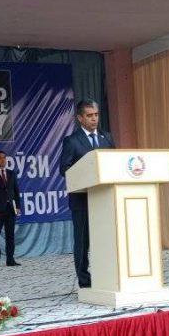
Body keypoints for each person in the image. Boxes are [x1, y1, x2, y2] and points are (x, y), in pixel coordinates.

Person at [59, 99, 115, 288]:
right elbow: (64, 169)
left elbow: (115, 162)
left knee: (105, 238)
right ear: (80, 118)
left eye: (96, 115)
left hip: (105, 198)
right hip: (82, 200)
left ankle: (106, 275)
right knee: (83, 242)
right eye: (89, 115)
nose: (94, 119)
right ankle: (84, 280)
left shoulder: (107, 138)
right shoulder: (72, 141)